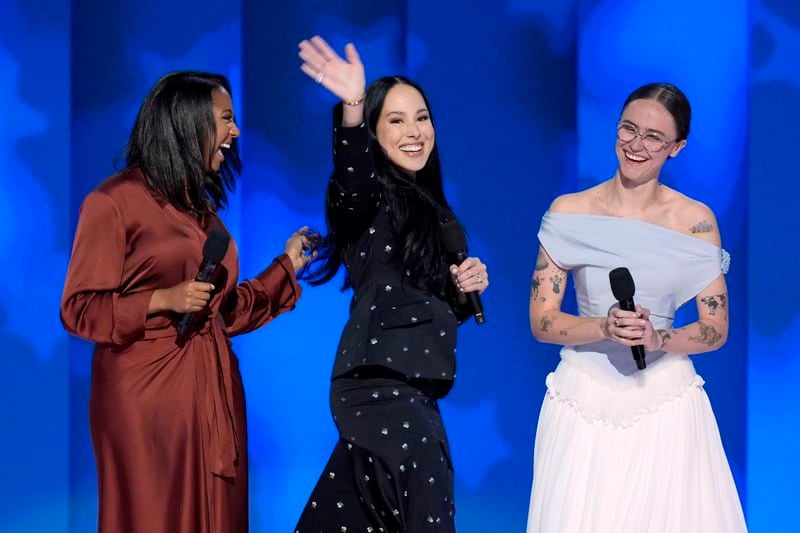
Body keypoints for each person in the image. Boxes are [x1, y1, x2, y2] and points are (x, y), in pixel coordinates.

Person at [60, 71, 314, 533]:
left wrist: (287, 268)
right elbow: (79, 309)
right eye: (225, 119)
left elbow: (225, 312)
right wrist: (161, 299)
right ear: (188, 122)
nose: (235, 133)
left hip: (212, 396)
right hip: (147, 399)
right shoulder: (114, 202)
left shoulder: (205, 217)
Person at [526, 82, 747, 532]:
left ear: (677, 148)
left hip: (663, 398)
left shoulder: (696, 223)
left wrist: (657, 337)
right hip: (581, 397)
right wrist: (604, 328)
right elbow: (542, 320)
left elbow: (716, 328)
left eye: (653, 137)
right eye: (629, 129)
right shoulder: (570, 212)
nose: (636, 144)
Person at [293, 36, 489, 532]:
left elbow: (429, 299)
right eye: (396, 120)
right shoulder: (367, 198)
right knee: (427, 513)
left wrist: (465, 288)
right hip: (379, 385)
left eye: (421, 117)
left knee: (354, 517)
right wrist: (353, 106)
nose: (414, 131)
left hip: (416, 389)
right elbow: (352, 176)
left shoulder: (436, 211)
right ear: (375, 133)